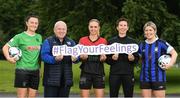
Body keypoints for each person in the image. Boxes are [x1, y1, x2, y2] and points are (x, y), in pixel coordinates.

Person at [2, 15, 42, 98]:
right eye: (32, 22)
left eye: (36, 23)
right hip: (22, 70)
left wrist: (39, 69)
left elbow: (38, 55)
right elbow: (5, 47)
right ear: (27, 23)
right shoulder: (19, 37)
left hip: (35, 71)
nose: (34, 25)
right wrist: (9, 58)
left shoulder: (39, 37)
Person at [138, 21, 178, 98]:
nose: (148, 32)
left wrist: (170, 64)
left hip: (158, 77)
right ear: (144, 32)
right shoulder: (141, 45)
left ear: (155, 31)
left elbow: (174, 53)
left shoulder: (161, 43)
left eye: (150, 30)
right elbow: (139, 58)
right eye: (146, 30)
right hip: (144, 77)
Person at [41, 21, 77, 97]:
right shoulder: (48, 41)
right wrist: (54, 59)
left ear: (66, 30)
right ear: (54, 30)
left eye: (63, 29)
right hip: (51, 80)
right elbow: (43, 56)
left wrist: (76, 59)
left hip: (66, 80)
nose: (61, 31)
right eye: (59, 29)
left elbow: (77, 56)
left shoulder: (71, 42)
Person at [106, 17, 139, 97]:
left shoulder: (133, 42)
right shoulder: (111, 42)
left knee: (128, 95)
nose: (122, 27)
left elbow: (137, 58)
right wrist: (112, 58)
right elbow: (107, 59)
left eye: (125, 25)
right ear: (117, 27)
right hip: (114, 73)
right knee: (113, 95)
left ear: (127, 28)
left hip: (128, 73)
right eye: (121, 25)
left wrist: (132, 59)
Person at [79, 19, 107, 98]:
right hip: (85, 71)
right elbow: (78, 57)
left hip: (99, 71)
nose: (93, 29)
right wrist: (81, 57)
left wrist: (103, 58)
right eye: (91, 27)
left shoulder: (103, 41)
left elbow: (105, 58)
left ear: (99, 28)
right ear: (88, 27)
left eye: (95, 27)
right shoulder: (82, 40)